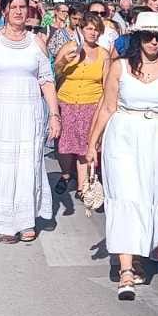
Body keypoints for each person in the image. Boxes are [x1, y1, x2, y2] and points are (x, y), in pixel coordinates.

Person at [87, 11, 158, 299]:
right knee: (126, 196)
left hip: (157, 136)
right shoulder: (120, 67)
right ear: (138, 37)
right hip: (123, 135)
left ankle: (138, 253)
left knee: (149, 197)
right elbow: (107, 106)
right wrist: (93, 143)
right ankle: (125, 269)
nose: (154, 41)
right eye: (147, 35)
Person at [0, 0, 59, 244]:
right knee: (2, 166)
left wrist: (54, 115)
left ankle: (27, 220)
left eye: (22, 7)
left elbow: (47, 80)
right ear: (5, 11)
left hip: (29, 114)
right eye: (13, 7)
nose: (18, 12)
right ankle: (4, 222)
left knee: (28, 164)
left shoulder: (37, 41)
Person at [52, 13, 108, 210]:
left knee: (85, 147)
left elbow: (106, 84)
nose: (92, 32)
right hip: (66, 103)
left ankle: (83, 188)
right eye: (89, 28)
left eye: (96, 29)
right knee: (64, 146)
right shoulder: (70, 47)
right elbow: (55, 71)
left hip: (91, 104)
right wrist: (64, 62)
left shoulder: (104, 54)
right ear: (81, 30)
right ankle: (66, 174)